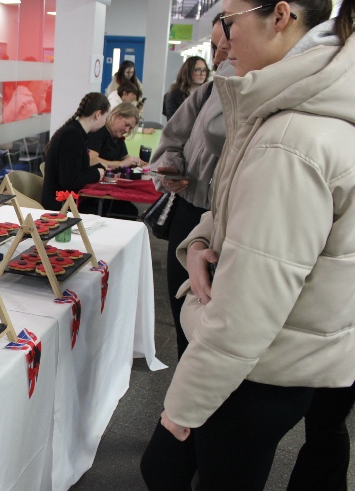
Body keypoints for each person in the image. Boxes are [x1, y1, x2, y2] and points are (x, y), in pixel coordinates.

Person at [141, 1, 355, 489]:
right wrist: (200, 240)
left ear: (279, 17)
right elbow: (234, 208)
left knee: (174, 470)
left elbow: (247, 311)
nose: (222, 37)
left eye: (230, 21)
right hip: (266, 361)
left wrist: (180, 409)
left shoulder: (292, 138)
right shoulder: (284, 110)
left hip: (256, 370)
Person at [149, 13, 231, 358]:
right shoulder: (208, 92)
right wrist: (172, 169)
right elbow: (171, 141)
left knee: (217, 329)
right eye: (214, 47)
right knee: (183, 313)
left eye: (226, 45)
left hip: (230, 221)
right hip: (189, 210)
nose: (217, 57)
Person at [40, 92, 108, 210]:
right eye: (106, 118)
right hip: (60, 206)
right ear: (98, 114)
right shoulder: (72, 136)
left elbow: (76, 170)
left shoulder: (76, 132)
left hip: (65, 201)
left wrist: (97, 168)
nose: (105, 122)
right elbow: (70, 181)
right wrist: (96, 174)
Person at [162, 56, 208, 121]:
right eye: (198, 70)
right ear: (188, 71)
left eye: (204, 70)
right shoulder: (174, 95)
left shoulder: (208, 92)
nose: (202, 73)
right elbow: (173, 122)